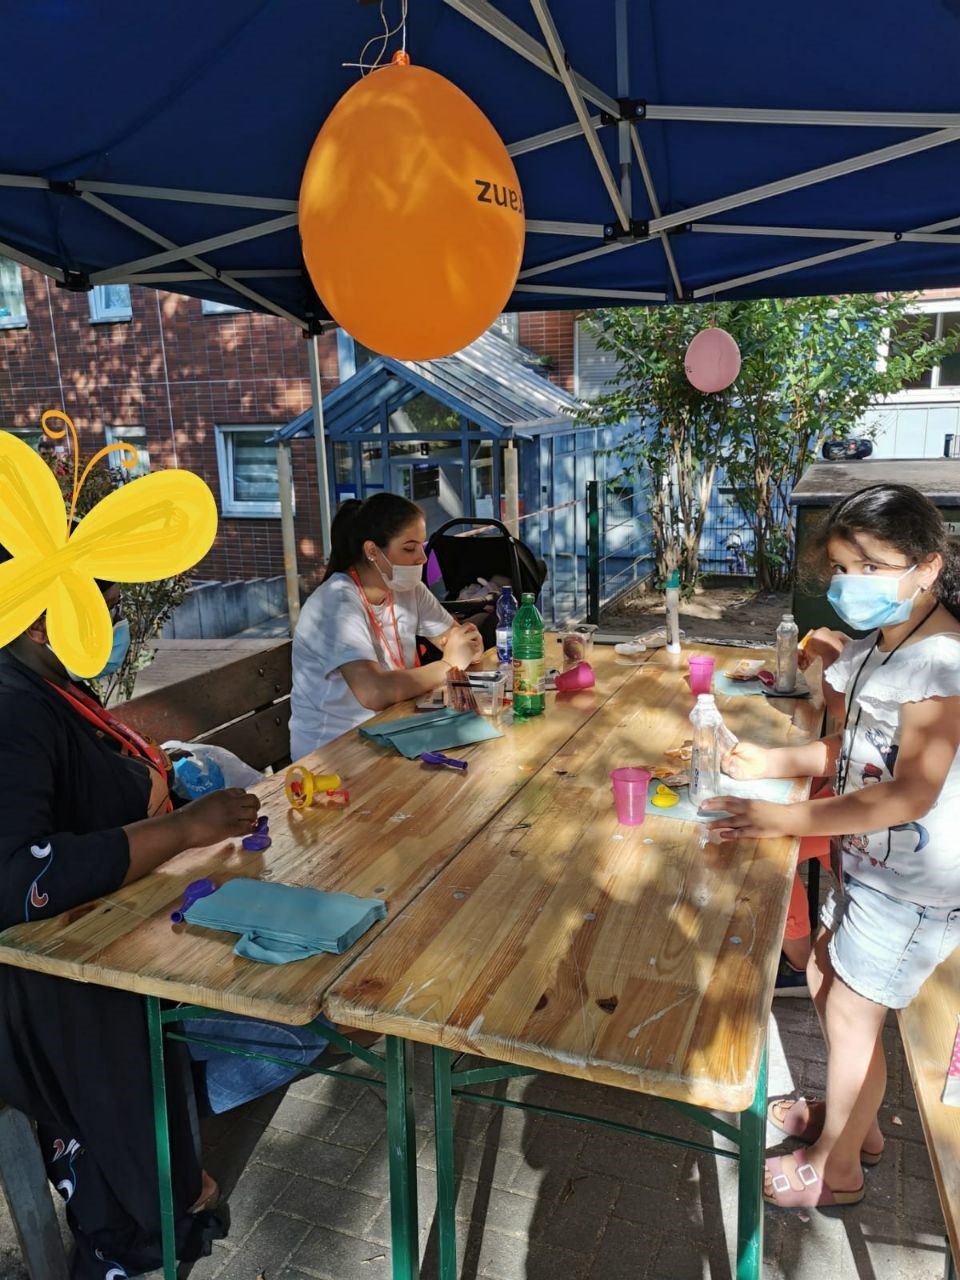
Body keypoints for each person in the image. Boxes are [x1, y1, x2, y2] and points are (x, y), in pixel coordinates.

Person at [0, 555, 339, 1278]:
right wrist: (182, 830)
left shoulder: (50, 682)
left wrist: (181, 812)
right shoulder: (11, 705)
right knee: (296, 1023)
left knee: (306, 1004)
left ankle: (161, 1117)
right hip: (53, 991)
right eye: (103, 605)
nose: (116, 620)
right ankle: (153, 1162)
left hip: (124, 934)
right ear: (40, 618)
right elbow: (20, 878)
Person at [704, 483, 960, 1208]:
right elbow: (851, 747)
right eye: (844, 567)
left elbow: (911, 792)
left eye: (872, 566)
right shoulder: (886, 645)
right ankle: (858, 1127)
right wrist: (769, 760)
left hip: (914, 884)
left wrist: (784, 820)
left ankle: (835, 1167)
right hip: (870, 864)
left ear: (927, 567)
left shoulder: (941, 662)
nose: (852, 584)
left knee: (851, 1015)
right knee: (824, 971)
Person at [290, 493, 484, 759]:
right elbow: (373, 692)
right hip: (333, 752)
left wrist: (469, 644)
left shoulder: (407, 588)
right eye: (409, 549)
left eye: (421, 545)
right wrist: (448, 665)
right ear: (372, 551)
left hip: (390, 729)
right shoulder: (335, 603)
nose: (422, 558)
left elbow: (456, 638)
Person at [775, 627, 851, 996]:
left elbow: (841, 707)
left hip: (871, 818)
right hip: (848, 787)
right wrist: (835, 645)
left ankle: (798, 966)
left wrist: (830, 650)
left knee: (771, 854)